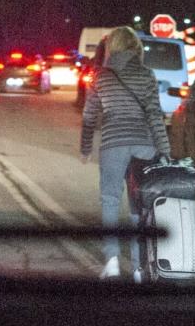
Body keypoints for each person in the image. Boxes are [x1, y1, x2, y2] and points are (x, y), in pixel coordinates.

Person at [80, 26, 171, 282]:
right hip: (143, 145)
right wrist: (164, 150)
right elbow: (154, 115)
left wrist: (85, 148)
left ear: (112, 47)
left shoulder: (100, 76)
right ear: (136, 48)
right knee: (139, 206)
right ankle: (140, 268)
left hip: (113, 145)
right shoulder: (146, 75)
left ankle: (111, 262)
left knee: (110, 201)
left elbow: (89, 117)